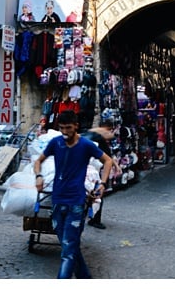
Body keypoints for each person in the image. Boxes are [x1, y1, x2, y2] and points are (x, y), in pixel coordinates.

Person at [34, 110, 113, 279]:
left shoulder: (86, 145)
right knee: (69, 245)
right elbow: (38, 161)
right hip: (57, 200)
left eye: (68, 128)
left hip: (76, 202)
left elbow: (108, 161)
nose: (64, 132)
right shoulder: (55, 143)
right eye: (61, 128)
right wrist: (39, 176)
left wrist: (103, 183)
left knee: (68, 252)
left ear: (76, 126)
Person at [82, 120, 122, 229]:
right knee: (98, 194)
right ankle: (94, 220)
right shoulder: (100, 138)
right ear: (107, 128)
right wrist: (116, 167)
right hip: (93, 171)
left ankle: (89, 216)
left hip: (85, 169)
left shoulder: (87, 133)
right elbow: (107, 157)